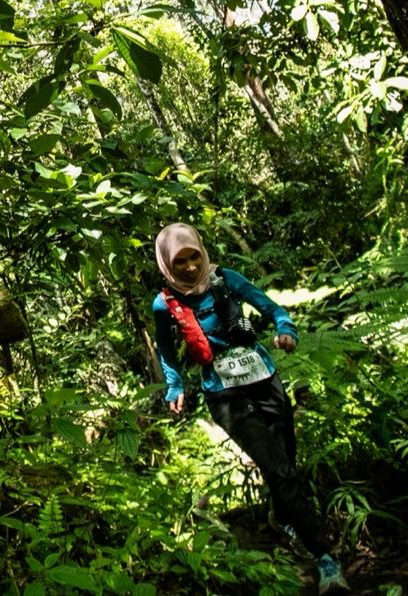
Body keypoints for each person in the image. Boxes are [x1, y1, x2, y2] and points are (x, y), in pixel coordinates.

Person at [151, 222, 349, 595]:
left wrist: (285, 327)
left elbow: (271, 308)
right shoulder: (165, 304)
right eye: (181, 262)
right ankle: (326, 558)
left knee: (285, 461)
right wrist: (174, 385)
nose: (191, 267)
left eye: (195, 257)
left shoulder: (226, 279)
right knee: (277, 467)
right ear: (166, 264)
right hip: (224, 395)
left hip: (263, 378)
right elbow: (165, 349)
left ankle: (280, 516)